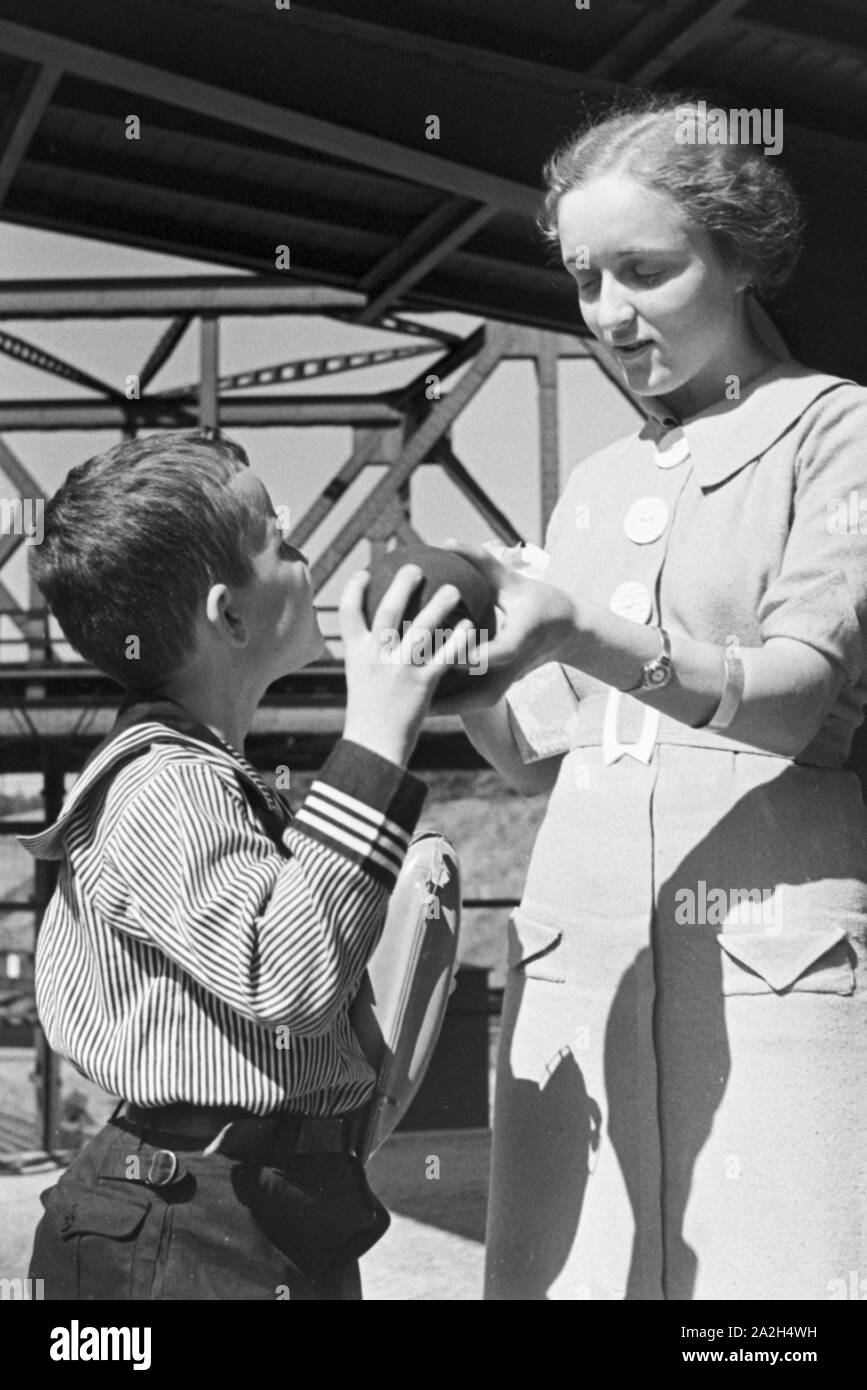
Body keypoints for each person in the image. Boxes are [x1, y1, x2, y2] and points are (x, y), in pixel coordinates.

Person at [439, 96, 867, 1299]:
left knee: (772, 1300)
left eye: (646, 270)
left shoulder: (835, 433)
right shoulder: (599, 480)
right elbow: (537, 757)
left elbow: (795, 695)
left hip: (767, 969)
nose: (610, 316)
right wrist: (466, 669)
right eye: (585, 280)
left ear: (739, 252)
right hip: (583, 981)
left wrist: (579, 625)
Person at [22, 430, 473, 1300]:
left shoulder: (207, 780)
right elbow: (287, 976)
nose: (309, 552)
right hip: (180, 1228)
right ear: (230, 616)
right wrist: (377, 737)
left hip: (255, 1204)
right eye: (284, 540)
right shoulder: (160, 785)